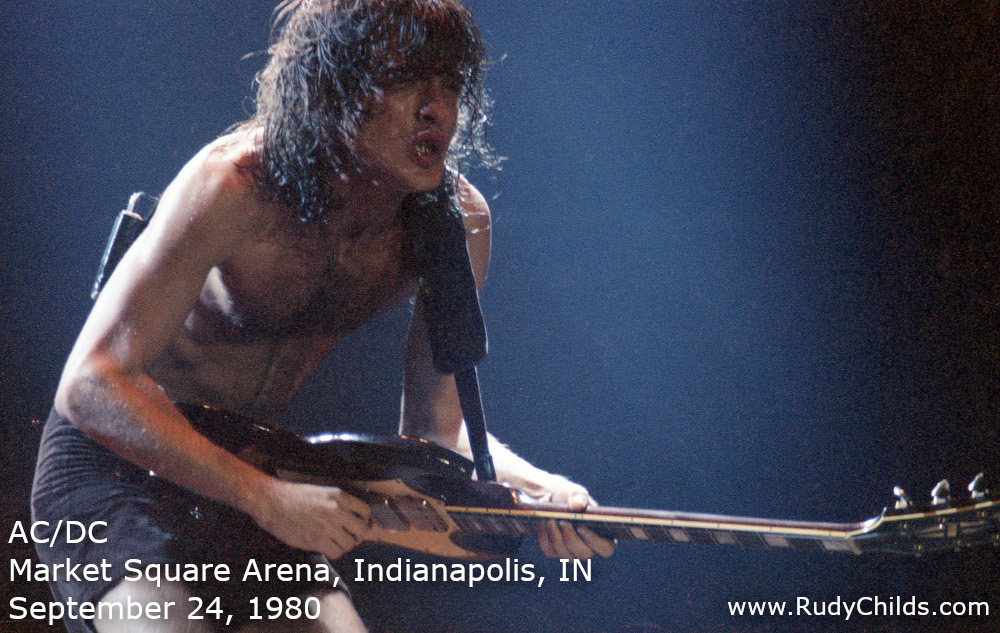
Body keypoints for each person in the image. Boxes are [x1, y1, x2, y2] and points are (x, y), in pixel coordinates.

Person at [32, 1, 614, 632]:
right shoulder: (233, 184)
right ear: (335, 86)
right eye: (405, 78)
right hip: (117, 466)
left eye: (449, 83)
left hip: (264, 477)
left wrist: (540, 490)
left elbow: (438, 435)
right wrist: (266, 499)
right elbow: (90, 384)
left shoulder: (454, 226)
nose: (435, 108)